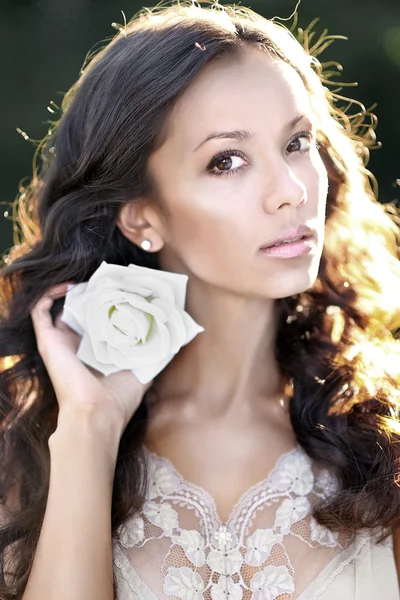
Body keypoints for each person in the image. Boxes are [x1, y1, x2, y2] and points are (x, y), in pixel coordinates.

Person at [1, 1, 400, 598]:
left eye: (297, 143)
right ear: (143, 217)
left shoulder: (385, 438)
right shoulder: (24, 449)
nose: (290, 192)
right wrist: (89, 431)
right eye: (227, 161)